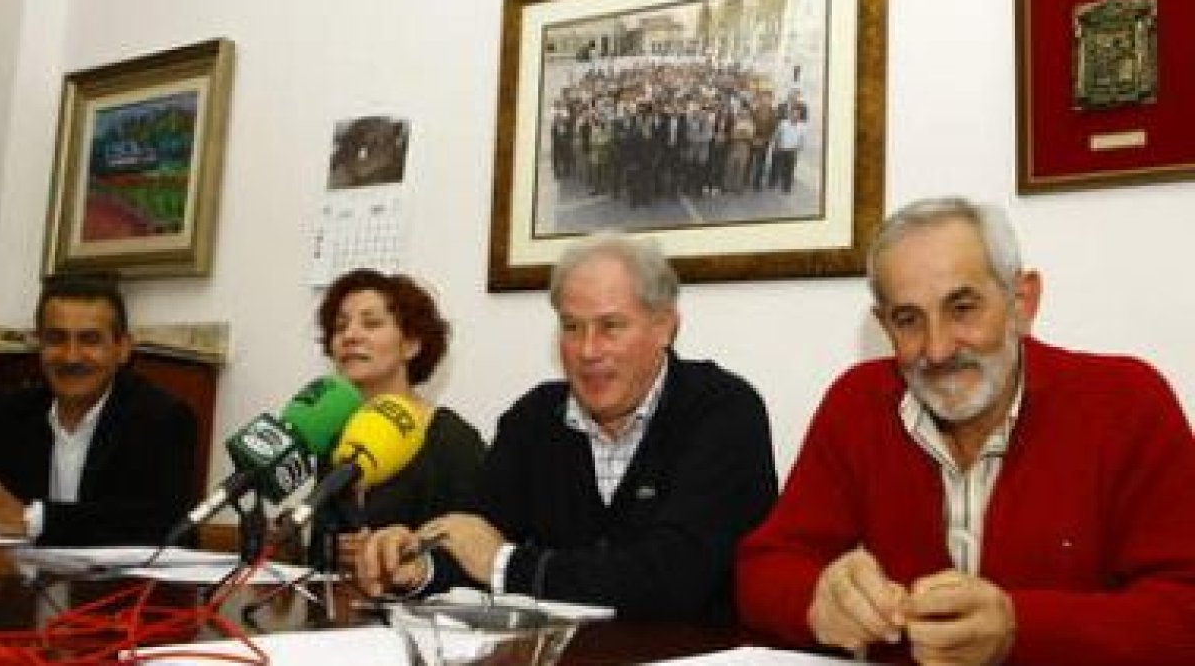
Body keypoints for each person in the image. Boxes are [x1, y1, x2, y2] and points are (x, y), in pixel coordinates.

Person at [736, 197, 1195, 664]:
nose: (936, 351)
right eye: (908, 319)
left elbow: (1185, 610)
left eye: (962, 309)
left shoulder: (1126, 403)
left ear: (1021, 302)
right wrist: (819, 601)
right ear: (883, 325)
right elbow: (762, 569)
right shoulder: (857, 403)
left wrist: (1020, 627)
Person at [357, 233, 777, 622]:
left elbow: (676, 576)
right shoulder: (535, 418)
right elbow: (476, 533)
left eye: (611, 326)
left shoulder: (723, 411)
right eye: (572, 327)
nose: (588, 350)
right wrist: (421, 564)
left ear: (664, 326)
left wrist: (504, 564)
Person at [0, 274, 197, 546]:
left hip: (121, 585)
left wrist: (33, 519)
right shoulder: (8, 415)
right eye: (56, 339)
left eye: (89, 340)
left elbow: (164, 525)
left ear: (123, 349)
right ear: (38, 344)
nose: (71, 356)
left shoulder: (162, 419)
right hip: (20, 582)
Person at [312, 268, 485, 569]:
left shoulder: (451, 438)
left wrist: (399, 555)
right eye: (340, 327)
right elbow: (319, 550)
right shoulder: (333, 435)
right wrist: (331, 552)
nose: (350, 336)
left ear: (411, 345)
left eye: (372, 323)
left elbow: (475, 552)